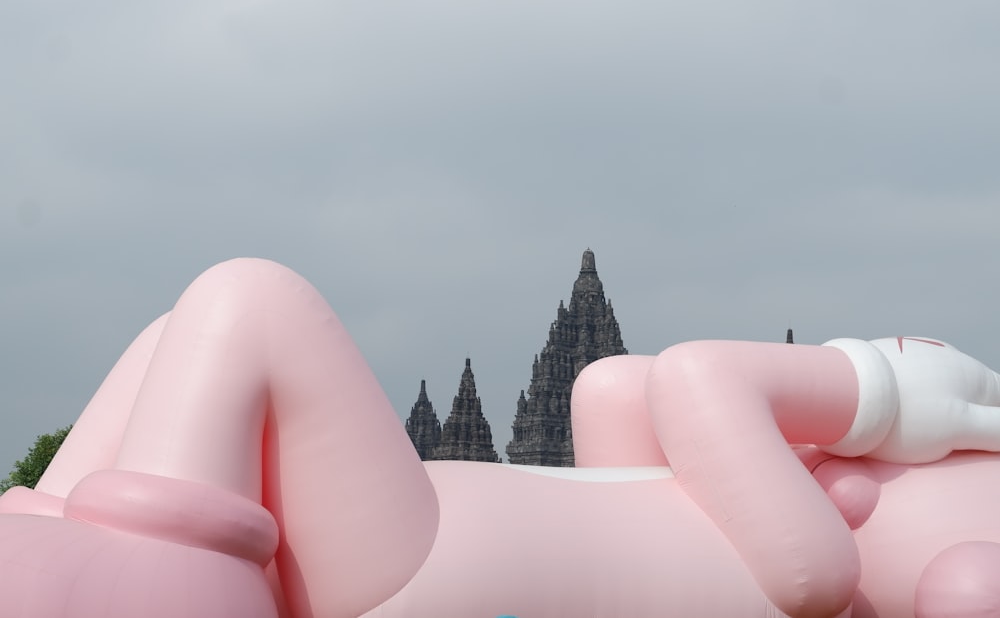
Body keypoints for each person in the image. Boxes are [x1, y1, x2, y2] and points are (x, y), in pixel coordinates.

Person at [3, 258, 1000, 618]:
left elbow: (703, 379)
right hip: (416, 543)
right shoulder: (765, 509)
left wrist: (877, 385)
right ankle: (45, 520)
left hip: (424, 568)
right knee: (177, 338)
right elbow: (615, 388)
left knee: (243, 302)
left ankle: (141, 573)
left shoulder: (820, 568)